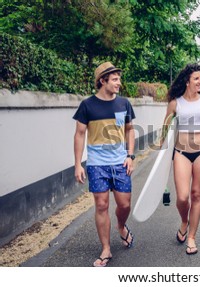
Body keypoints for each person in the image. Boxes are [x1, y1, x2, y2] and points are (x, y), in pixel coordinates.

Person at [73, 62, 136, 267]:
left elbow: (129, 130)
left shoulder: (123, 103)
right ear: (103, 81)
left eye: (119, 79)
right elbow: (80, 134)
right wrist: (77, 164)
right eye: (115, 79)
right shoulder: (87, 105)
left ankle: (120, 225)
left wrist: (130, 155)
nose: (119, 83)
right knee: (101, 205)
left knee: (124, 204)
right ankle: (106, 249)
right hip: (97, 164)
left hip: (120, 162)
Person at [163, 63, 200, 255]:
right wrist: (162, 154)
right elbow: (165, 129)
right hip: (181, 153)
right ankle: (184, 221)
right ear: (187, 81)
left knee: (196, 194)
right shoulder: (175, 103)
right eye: (196, 78)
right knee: (182, 197)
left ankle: (191, 237)